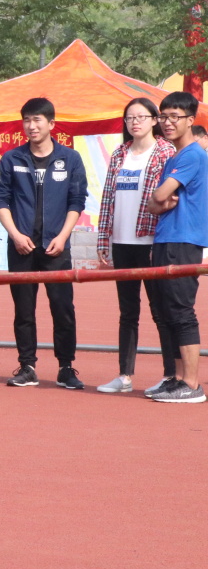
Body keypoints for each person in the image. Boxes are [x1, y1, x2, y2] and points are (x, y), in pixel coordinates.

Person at [0, 98, 88, 390]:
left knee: (62, 307)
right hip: (22, 247)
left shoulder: (70, 159)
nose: (31, 126)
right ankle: (27, 366)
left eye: (37, 120)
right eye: (26, 121)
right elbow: (0, 200)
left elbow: (76, 201)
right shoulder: (11, 158)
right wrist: (15, 235)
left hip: (56, 248)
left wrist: (62, 237)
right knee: (23, 308)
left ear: (51, 124)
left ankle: (66, 367)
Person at [93, 99, 176, 394]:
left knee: (161, 310)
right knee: (128, 312)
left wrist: (161, 242)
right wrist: (104, 238)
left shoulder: (166, 151)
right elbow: (107, 199)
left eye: (141, 116)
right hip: (122, 242)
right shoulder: (119, 154)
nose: (135, 122)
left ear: (154, 120)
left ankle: (171, 376)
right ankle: (124, 375)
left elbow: (172, 200)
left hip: (151, 242)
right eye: (129, 118)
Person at [146, 92, 207, 403]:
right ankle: (179, 379)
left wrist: (161, 198)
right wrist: (160, 199)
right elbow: (155, 204)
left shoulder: (193, 155)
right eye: (163, 116)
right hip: (166, 238)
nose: (167, 123)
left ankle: (193, 384)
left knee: (181, 312)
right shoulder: (174, 157)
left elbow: (160, 196)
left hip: (183, 241)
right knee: (166, 312)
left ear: (190, 120)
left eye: (175, 117)